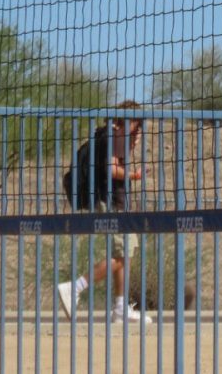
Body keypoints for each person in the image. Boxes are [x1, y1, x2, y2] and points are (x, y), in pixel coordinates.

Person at [57, 100, 152, 324]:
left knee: (124, 253)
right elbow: (111, 169)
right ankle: (75, 287)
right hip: (111, 202)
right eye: (136, 124)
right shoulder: (114, 137)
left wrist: (129, 146)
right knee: (123, 254)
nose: (137, 129)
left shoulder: (107, 134)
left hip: (110, 200)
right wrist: (135, 175)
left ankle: (120, 308)